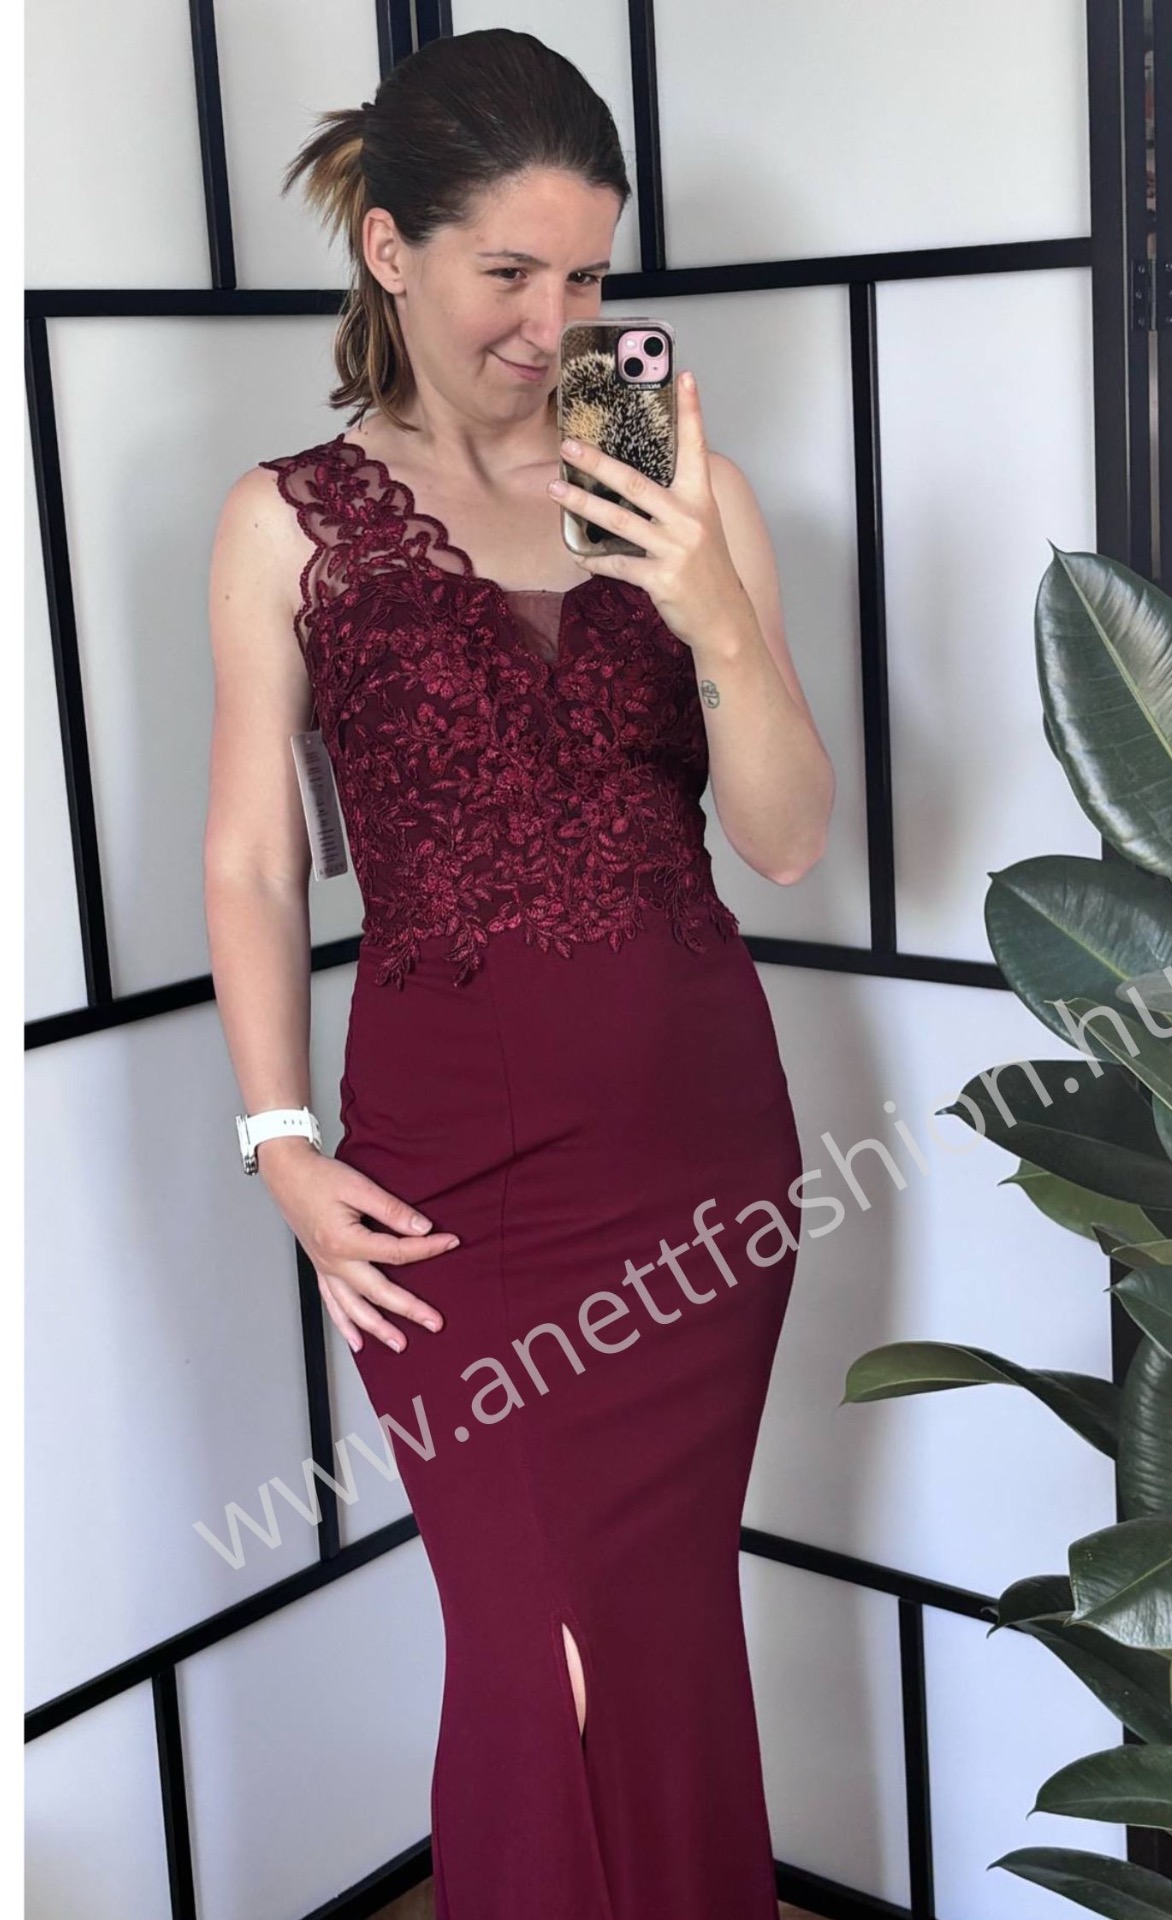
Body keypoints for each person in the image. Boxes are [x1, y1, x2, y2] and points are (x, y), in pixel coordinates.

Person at [203, 27, 834, 1920]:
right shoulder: (285, 522)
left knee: (653, 1627)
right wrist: (275, 1140)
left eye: (588, 276)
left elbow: (787, 839)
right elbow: (252, 857)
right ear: (389, 249)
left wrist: (710, 607)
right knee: (527, 1641)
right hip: (447, 1179)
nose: (554, 323)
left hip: (696, 1152)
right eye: (508, 272)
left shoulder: (691, 500)